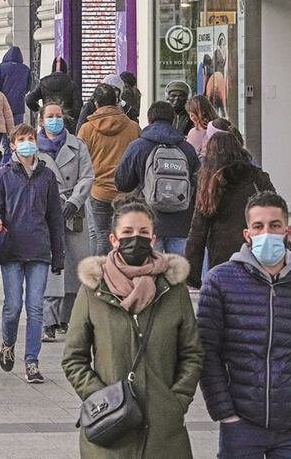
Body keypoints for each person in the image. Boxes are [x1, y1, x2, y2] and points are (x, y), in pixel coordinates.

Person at [61, 199, 203, 458]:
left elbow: (192, 353)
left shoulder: (173, 289)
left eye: (143, 233)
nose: (135, 240)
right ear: (113, 239)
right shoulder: (94, 289)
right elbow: (73, 358)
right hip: (110, 432)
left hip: (164, 434)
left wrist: (176, 402)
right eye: (127, 233)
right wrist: (101, 399)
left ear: (153, 238)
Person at [197, 191, 291, 459]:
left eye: (275, 226)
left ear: (288, 232)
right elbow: (206, 350)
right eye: (258, 226)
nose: (266, 232)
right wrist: (224, 411)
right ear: (247, 234)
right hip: (242, 423)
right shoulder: (220, 281)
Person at [0, 124, 65, 384]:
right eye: (22, 140)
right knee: (12, 307)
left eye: (31, 139)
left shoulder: (46, 176)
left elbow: (55, 217)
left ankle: (32, 361)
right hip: (12, 248)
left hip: (39, 250)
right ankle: (7, 343)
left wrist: (58, 254)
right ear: (12, 145)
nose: (27, 143)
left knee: (35, 308)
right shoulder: (4, 174)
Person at [185, 132, 276, 287]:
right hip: (256, 248)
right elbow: (275, 209)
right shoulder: (257, 176)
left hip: (222, 254)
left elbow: (198, 230)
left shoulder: (210, 183)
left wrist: (192, 275)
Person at [114, 100, 201, 258]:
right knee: (179, 275)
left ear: (149, 119)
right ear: (173, 119)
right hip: (182, 222)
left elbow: (122, 183)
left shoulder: (138, 146)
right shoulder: (187, 148)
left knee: (150, 271)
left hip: (148, 221)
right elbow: (198, 181)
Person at [38, 102, 94, 343]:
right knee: (51, 267)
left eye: (58, 116)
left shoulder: (77, 145)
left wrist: (75, 200)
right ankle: (48, 322)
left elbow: (87, 175)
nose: (54, 120)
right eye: (50, 116)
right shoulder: (32, 148)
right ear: (41, 120)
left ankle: (67, 318)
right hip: (45, 213)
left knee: (74, 267)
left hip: (74, 214)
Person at [78, 83, 141, 256]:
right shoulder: (133, 127)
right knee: (126, 235)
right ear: (117, 102)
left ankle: (100, 277)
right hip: (127, 192)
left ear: (96, 104)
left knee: (101, 236)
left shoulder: (86, 129)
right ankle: (124, 275)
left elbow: (80, 161)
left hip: (98, 191)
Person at [25, 56, 81, 127]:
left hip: (48, 121)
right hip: (67, 123)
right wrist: (70, 117)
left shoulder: (43, 83)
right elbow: (78, 108)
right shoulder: (72, 85)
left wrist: (42, 111)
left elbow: (29, 100)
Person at [0, 46, 31, 127]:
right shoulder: (25, 69)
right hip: (19, 105)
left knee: (4, 129)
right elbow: (28, 86)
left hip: (3, 104)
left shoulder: (2, 68)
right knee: (17, 130)